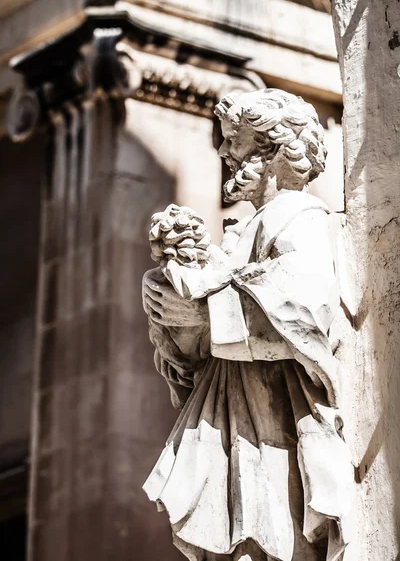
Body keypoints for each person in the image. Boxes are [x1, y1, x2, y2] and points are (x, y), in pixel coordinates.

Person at [142, 89, 354, 561]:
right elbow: (199, 354)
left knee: (266, 543)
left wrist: (205, 315)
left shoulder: (299, 217)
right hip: (236, 421)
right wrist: (173, 313)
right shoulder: (245, 231)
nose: (222, 153)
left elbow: (307, 311)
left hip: (272, 430)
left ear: (276, 150)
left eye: (233, 141)